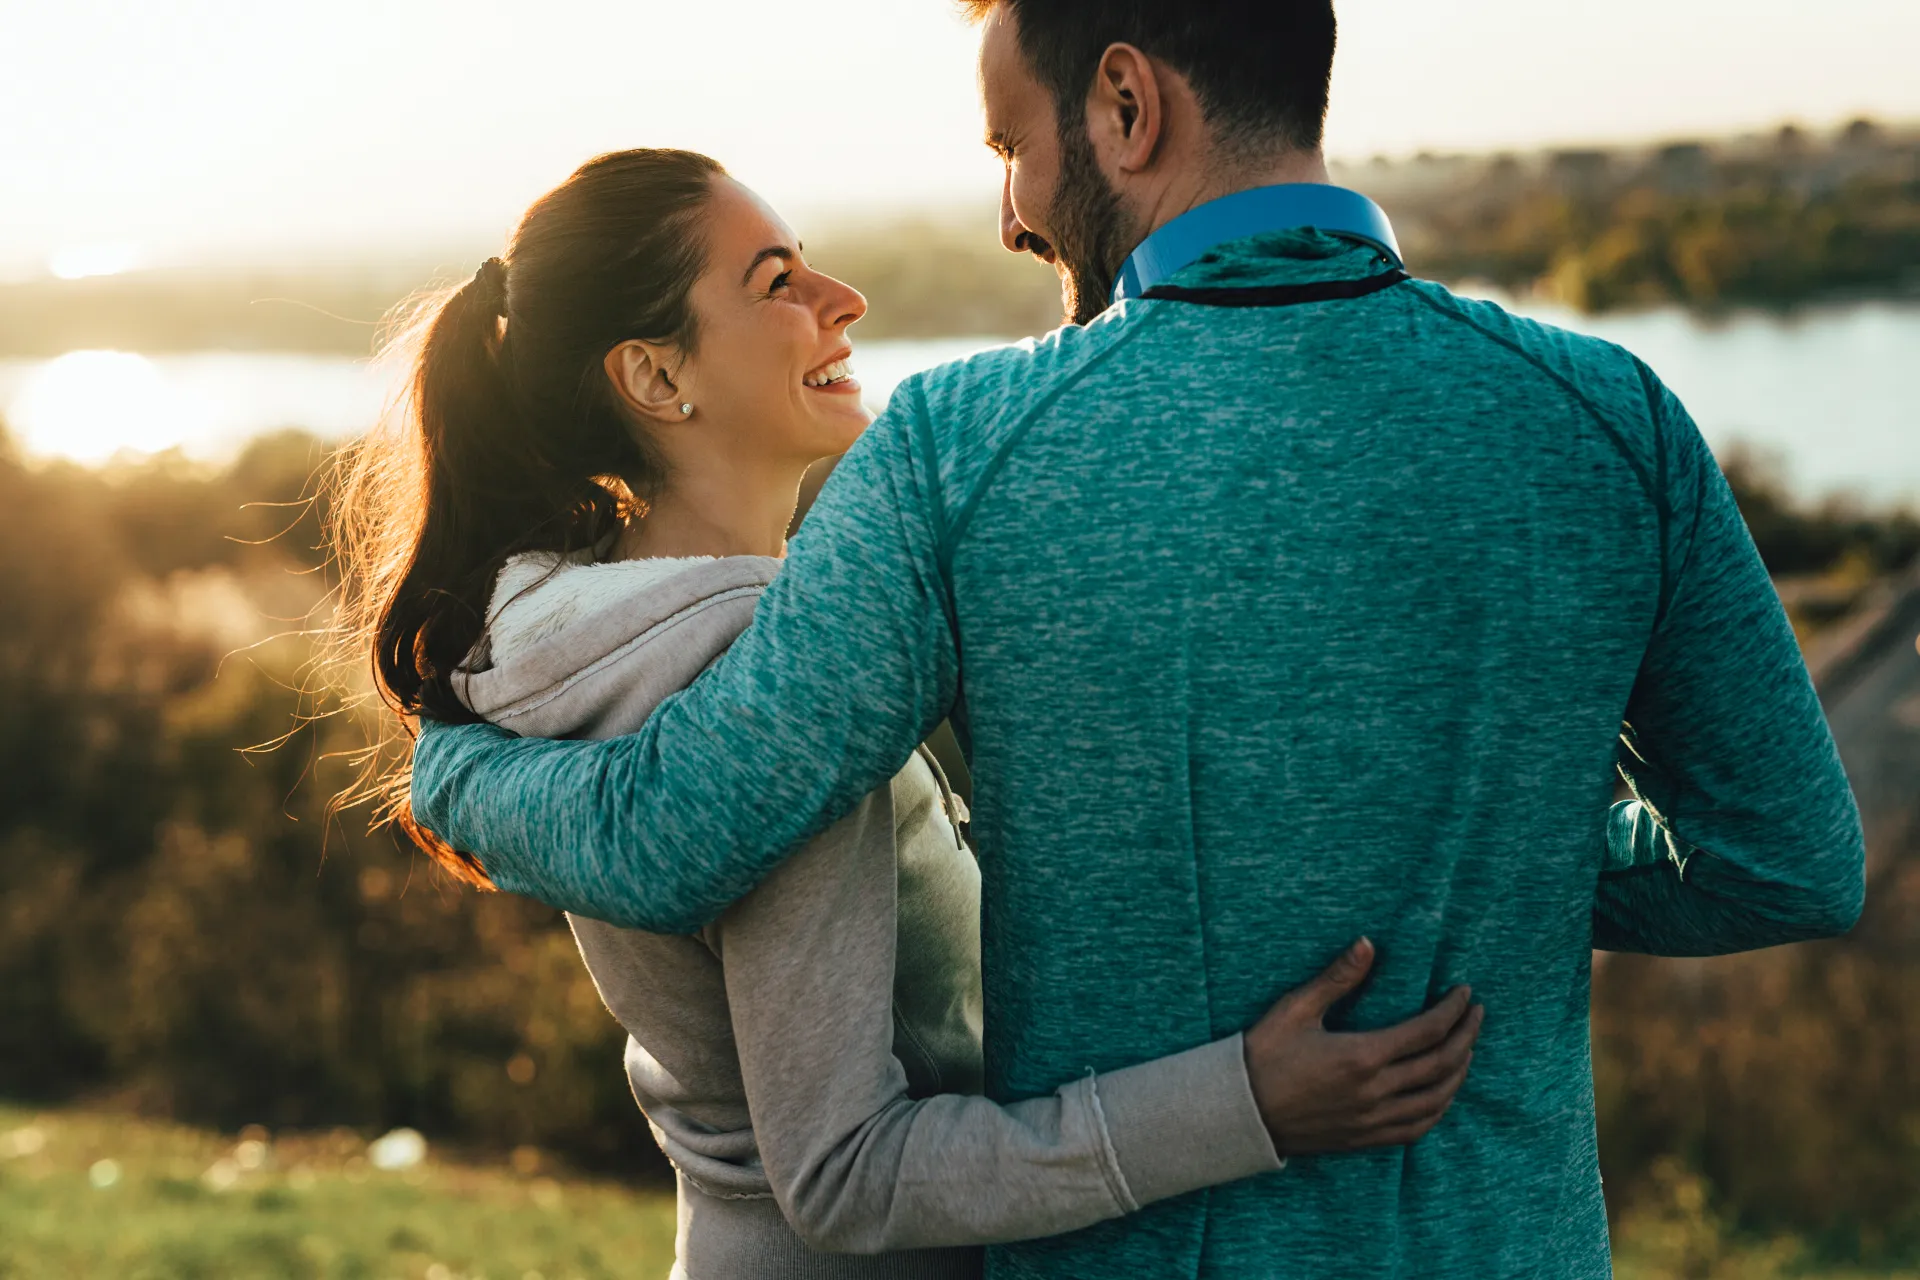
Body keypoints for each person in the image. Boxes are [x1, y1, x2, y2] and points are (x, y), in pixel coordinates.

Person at [407, 3, 1868, 1276]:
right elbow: (1787, 863)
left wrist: (458, 782)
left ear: (1125, 104)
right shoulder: (1611, 422)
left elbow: (683, 826)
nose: (1011, 214)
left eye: (1010, 147)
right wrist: (1492, 847)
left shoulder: (959, 456)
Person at [329, 147, 1485, 1280]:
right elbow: (845, 1172)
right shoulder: (752, 688)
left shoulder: (578, 633)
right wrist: (1246, 1099)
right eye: (776, 282)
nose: (846, 299)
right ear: (654, 377)